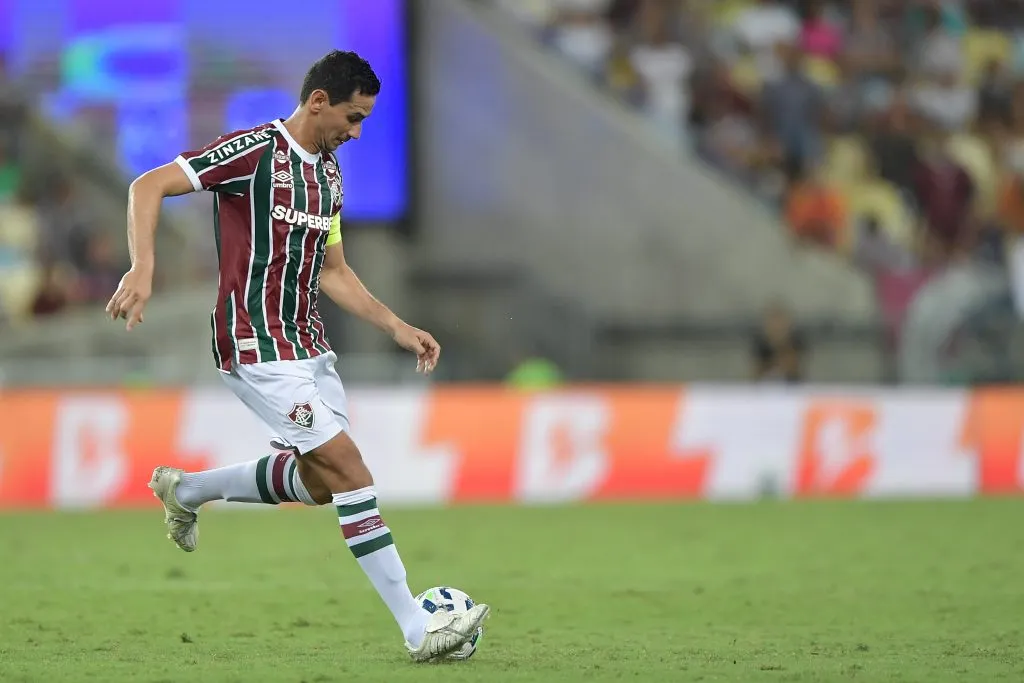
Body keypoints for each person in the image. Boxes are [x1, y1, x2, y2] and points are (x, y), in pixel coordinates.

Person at [104, 50, 489, 662]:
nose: (357, 132)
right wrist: (143, 267)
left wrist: (396, 324)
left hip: (308, 346)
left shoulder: (329, 175)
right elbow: (147, 185)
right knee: (349, 471)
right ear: (318, 102)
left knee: (318, 481)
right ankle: (419, 628)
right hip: (254, 342)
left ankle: (191, 490)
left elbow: (334, 272)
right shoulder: (254, 152)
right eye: (353, 116)